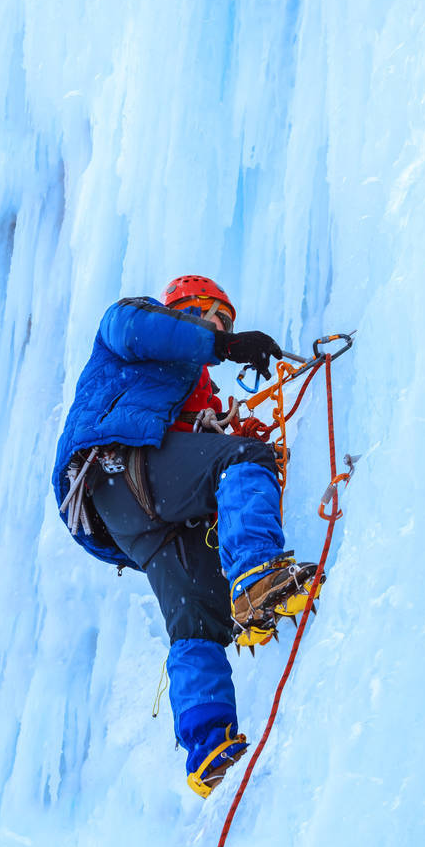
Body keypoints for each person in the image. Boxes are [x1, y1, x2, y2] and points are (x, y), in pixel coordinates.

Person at [52, 276, 321, 796]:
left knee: (197, 618)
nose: (220, 330)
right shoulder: (130, 320)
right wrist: (221, 348)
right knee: (243, 462)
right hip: (120, 461)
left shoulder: (190, 395)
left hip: (127, 515)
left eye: (227, 325)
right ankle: (258, 578)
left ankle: (208, 746)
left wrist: (225, 427)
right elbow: (140, 330)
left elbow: (195, 450)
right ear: (183, 308)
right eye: (213, 317)